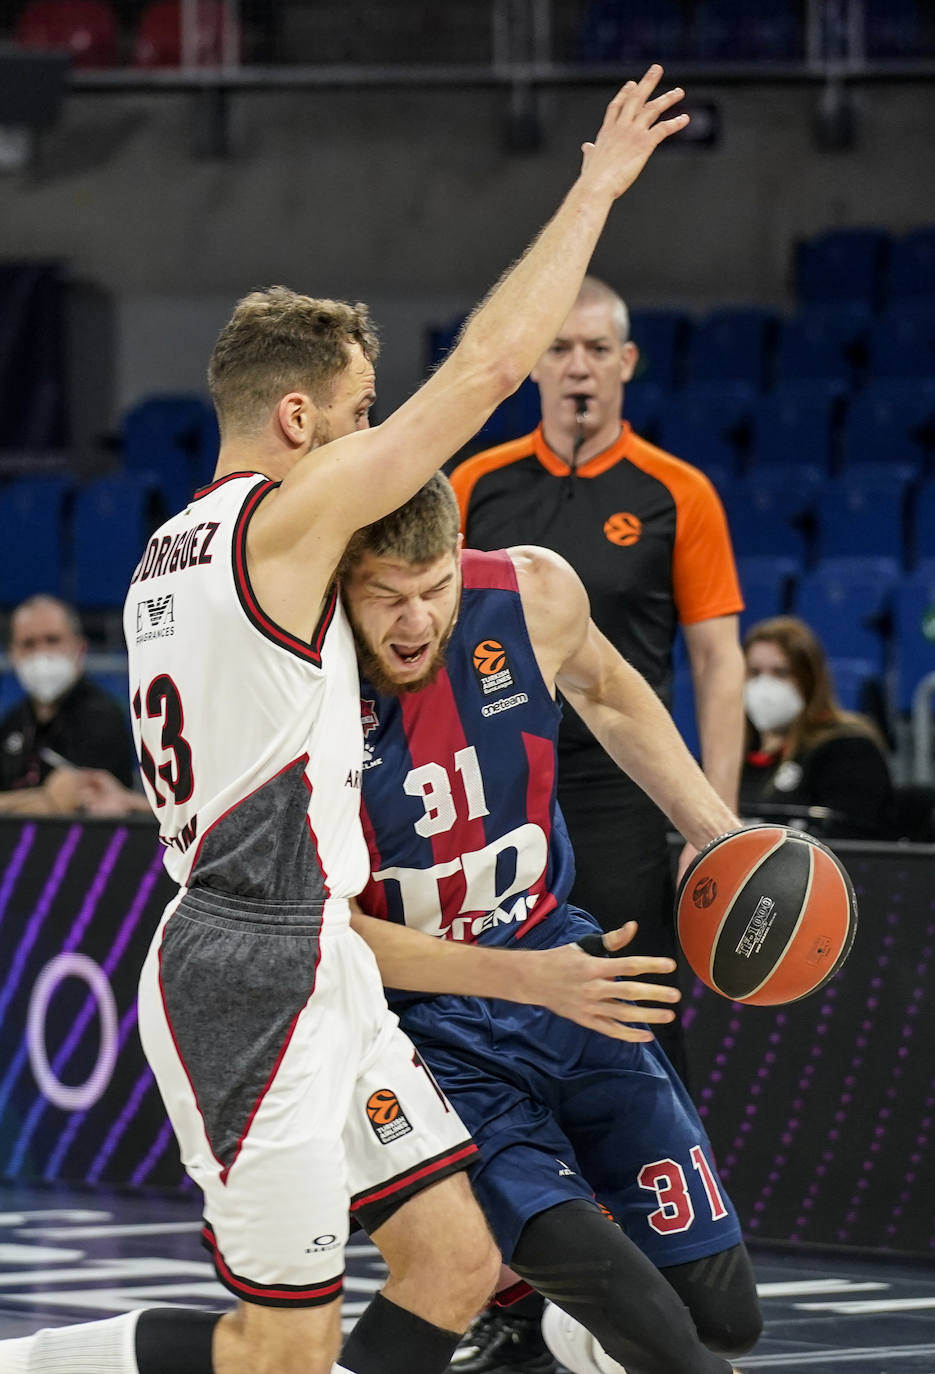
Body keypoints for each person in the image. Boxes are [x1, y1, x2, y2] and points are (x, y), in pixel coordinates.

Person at [0, 68, 692, 1374]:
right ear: (299, 417)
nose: (379, 441)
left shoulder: (170, 549)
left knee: (453, 1261)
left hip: (316, 956)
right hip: (247, 965)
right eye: (365, 414)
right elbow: (490, 369)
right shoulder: (282, 520)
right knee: (282, 1346)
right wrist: (594, 187)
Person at [339, 473, 762, 1374]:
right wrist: (530, 979)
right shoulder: (300, 674)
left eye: (433, 590)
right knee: (668, 1344)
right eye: (386, 597)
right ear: (343, 583)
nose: (414, 622)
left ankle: (553, 1327)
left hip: (561, 974)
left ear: (460, 562)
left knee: (721, 1320)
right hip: (423, 1026)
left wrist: (714, 834)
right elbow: (328, 935)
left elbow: (609, 691)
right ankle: (545, 1297)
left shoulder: (531, 590)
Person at [449, 276, 745, 1091]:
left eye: (595, 350)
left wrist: (711, 828)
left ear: (627, 363)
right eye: (559, 348)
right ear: (535, 365)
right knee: (496, 1003)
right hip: (502, 783)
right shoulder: (477, 484)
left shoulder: (677, 492)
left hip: (620, 789)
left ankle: (665, 1197)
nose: (578, 367)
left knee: (629, 1000)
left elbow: (720, 664)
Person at [739, 615, 895, 840]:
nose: (764, 685)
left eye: (781, 672)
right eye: (754, 673)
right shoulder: (729, 757)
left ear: (810, 679)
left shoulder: (848, 749)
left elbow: (856, 844)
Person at [0, 594, 136, 814]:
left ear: (80, 647)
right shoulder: (13, 721)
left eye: (52, 640)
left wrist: (13, 802)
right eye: (28, 644)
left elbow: (71, 803)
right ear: (14, 654)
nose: (41, 653)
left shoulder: (101, 716)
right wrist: (41, 798)